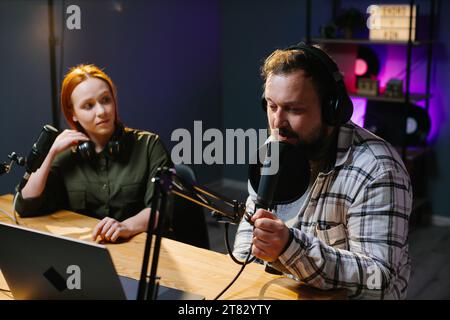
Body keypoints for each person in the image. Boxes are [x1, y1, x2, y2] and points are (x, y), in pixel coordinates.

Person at [233, 43, 412, 299]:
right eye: (272, 106)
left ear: (332, 111)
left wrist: (289, 247)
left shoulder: (378, 169)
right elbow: (251, 226)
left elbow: (378, 277)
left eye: (294, 109)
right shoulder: (280, 144)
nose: (277, 123)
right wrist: (243, 274)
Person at [15, 64, 173, 243]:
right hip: (88, 254)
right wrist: (50, 154)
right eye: (88, 106)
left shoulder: (149, 146)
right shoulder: (65, 155)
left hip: (141, 251)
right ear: (73, 113)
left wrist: (126, 227)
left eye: (106, 100)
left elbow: (161, 209)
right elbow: (25, 206)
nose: (102, 111)